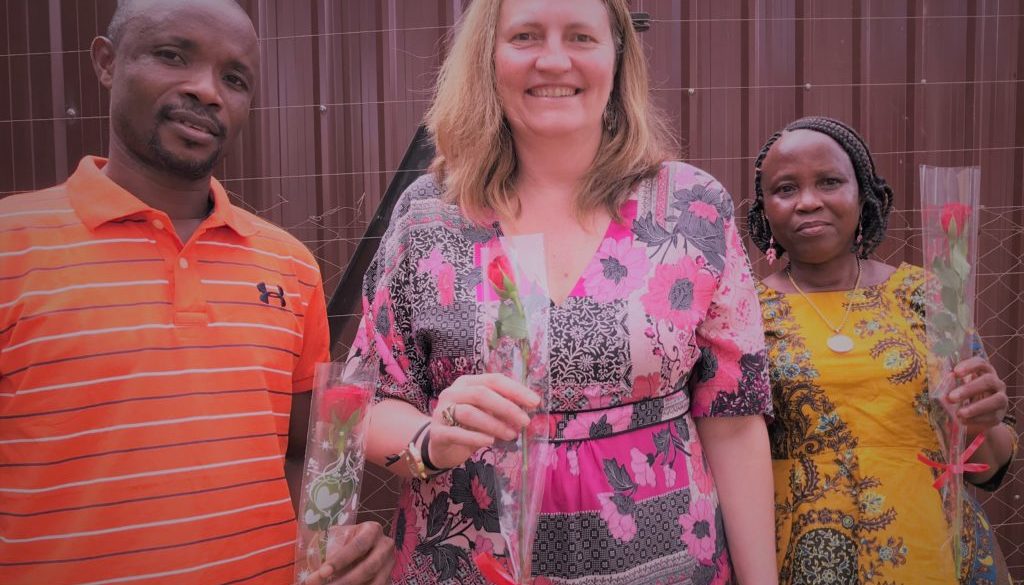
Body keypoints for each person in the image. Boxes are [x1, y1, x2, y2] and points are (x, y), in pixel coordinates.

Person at [352, 0, 778, 583]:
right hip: (466, 565)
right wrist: (431, 438)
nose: (554, 61)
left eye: (580, 36)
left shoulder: (692, 208)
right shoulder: (430, 215)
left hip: (663, 565)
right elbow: (367, 404)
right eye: (526, 36)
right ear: (488, 57)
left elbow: (732, 418)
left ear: (616, 57)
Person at [0, 1, 392, 584]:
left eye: (234, 78)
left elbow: (301, 455)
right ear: (106, 63)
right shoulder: (13, 246)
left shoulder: (290, 268)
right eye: (171, 55)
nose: (207, 91)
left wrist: (332, 551)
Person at [747, 116, 1018, 584]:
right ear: (765, 209)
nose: (809, 201)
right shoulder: (744, 312)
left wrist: (981, 421)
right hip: (806, 560)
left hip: (932, 549)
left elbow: (986, 467)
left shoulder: (933, 296)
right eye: (786, 189)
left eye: (830, 182)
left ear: (863, 194)